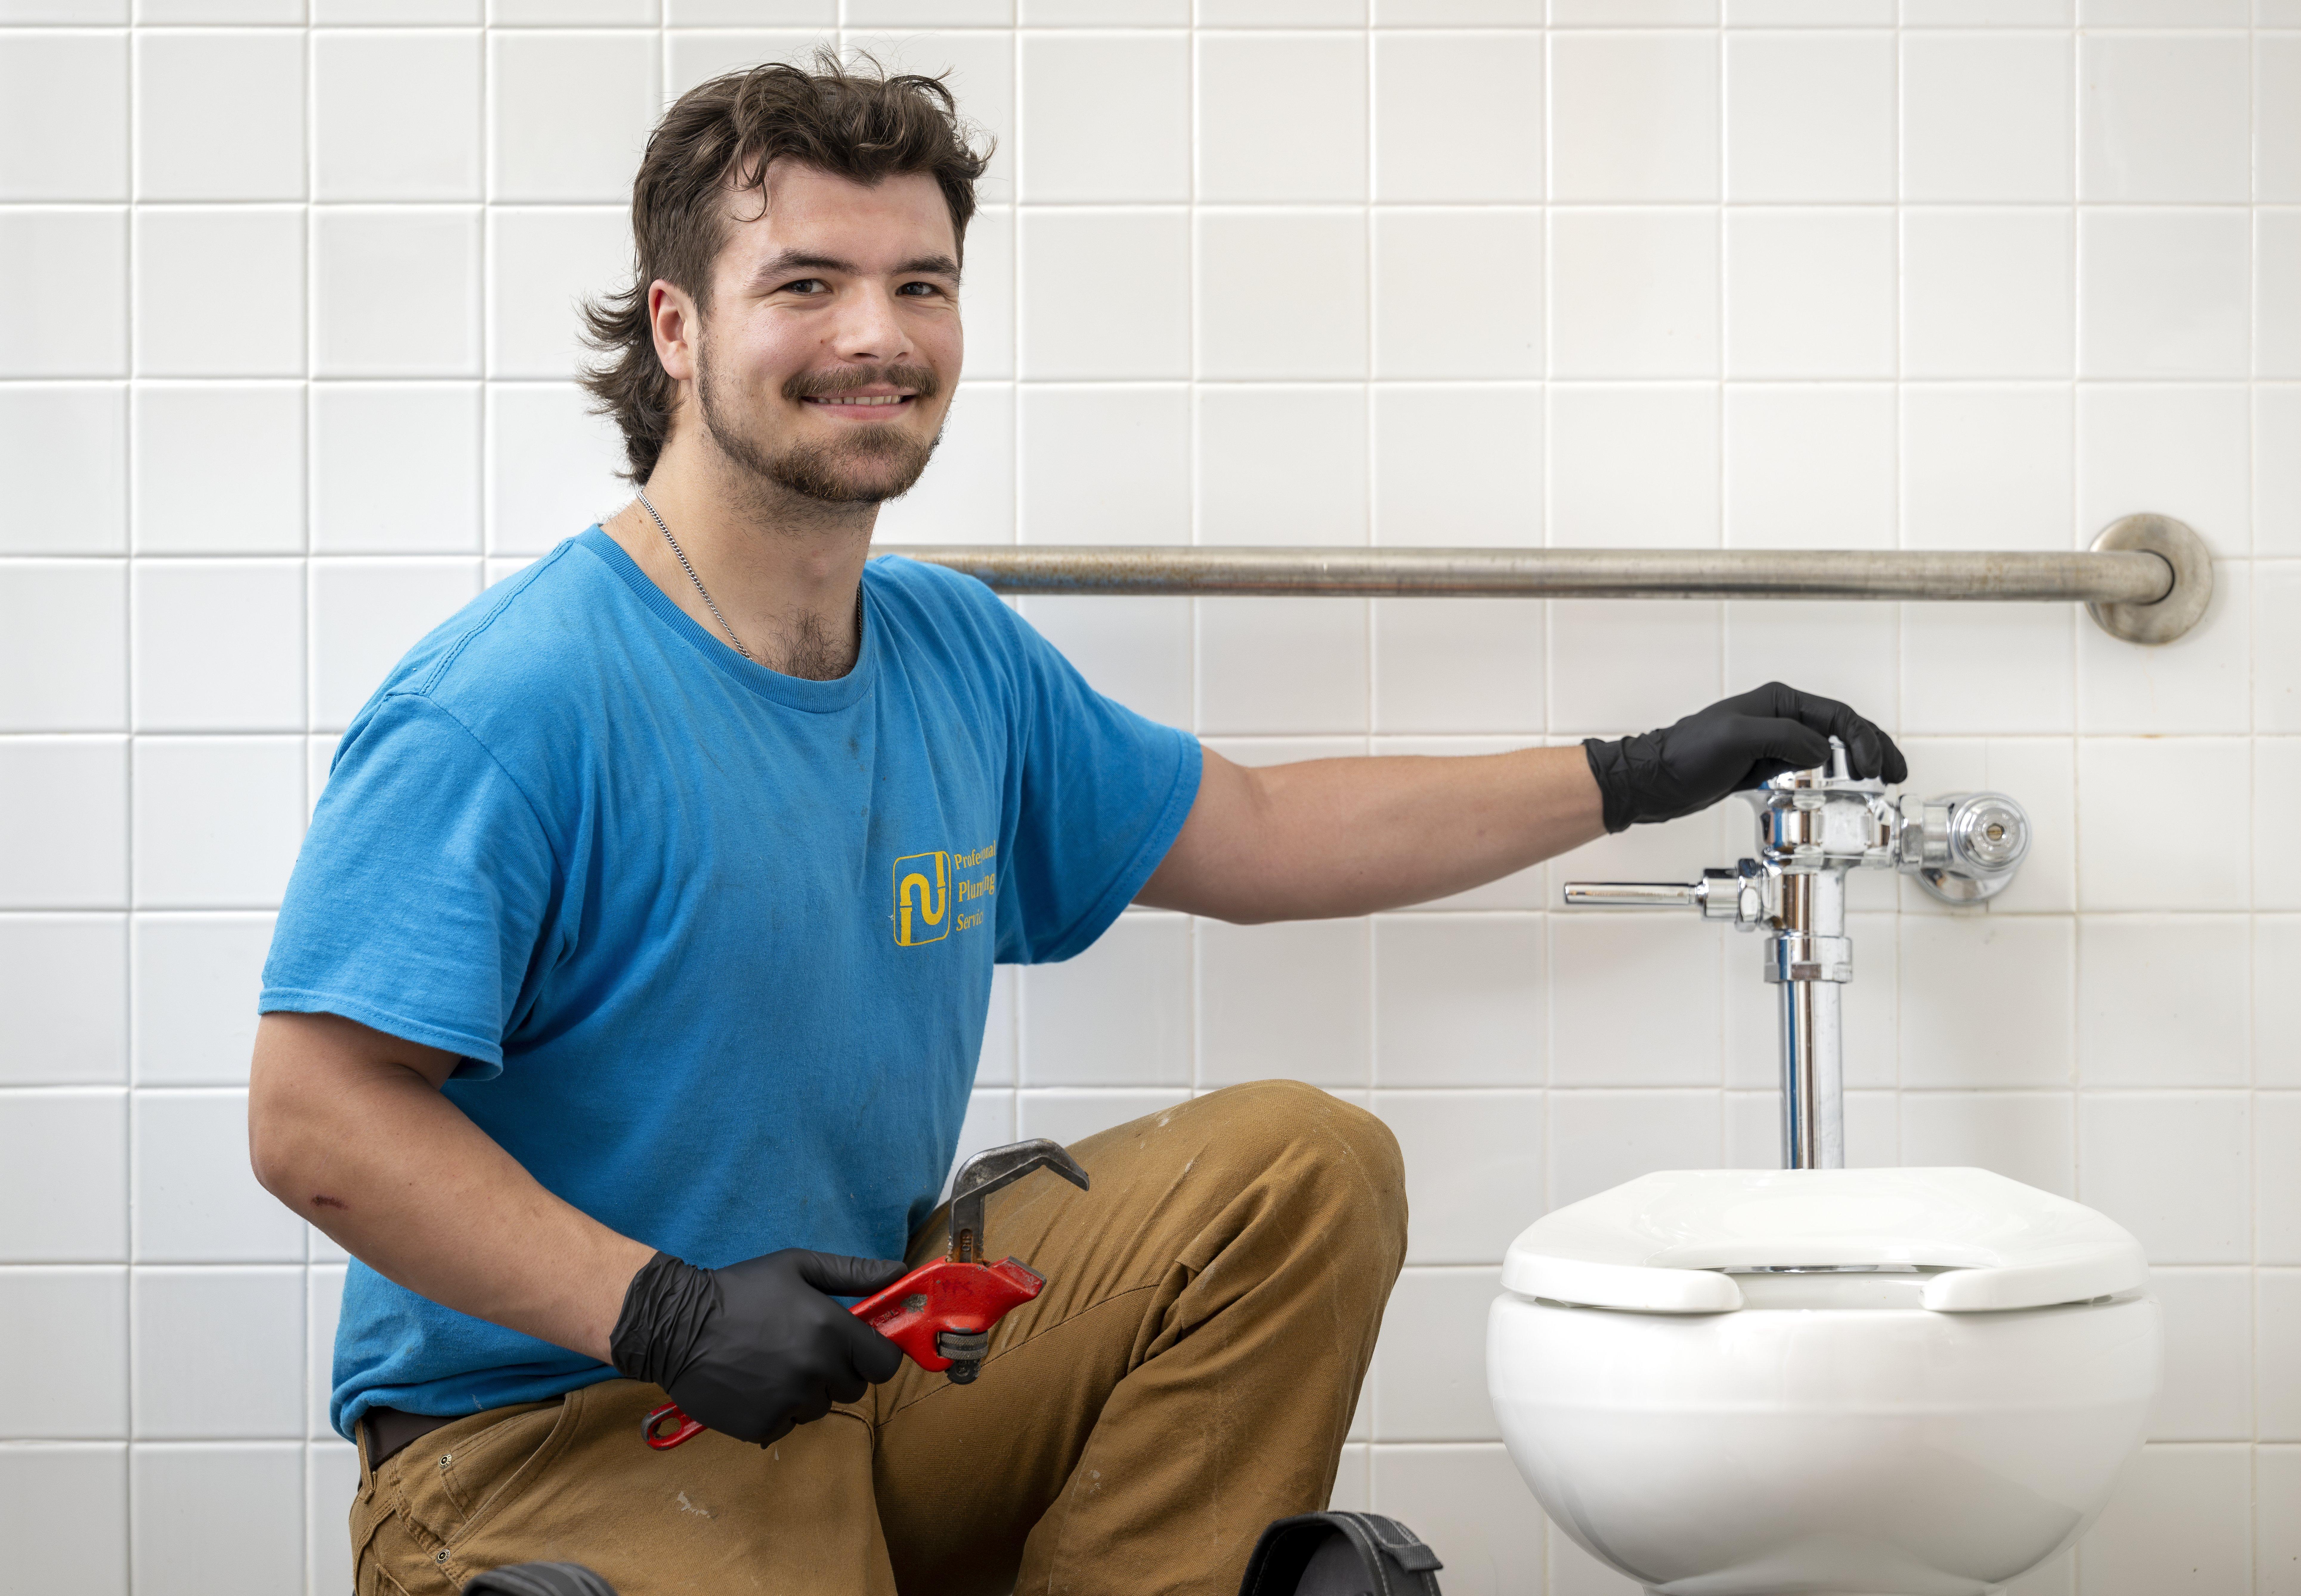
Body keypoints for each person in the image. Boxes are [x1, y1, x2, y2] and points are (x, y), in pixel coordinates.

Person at [245, 57, 1907, 1596]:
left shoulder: (954, 653)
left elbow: (1254, 832)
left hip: (870, 1363)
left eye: (920, 284)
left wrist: (1633, 771)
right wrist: (656, 1310)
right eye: (805, 284)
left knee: (1297, 1168)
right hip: (553, 1431)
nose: (875, 333)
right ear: (676, 330)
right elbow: (316, 1120)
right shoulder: (517, 700)